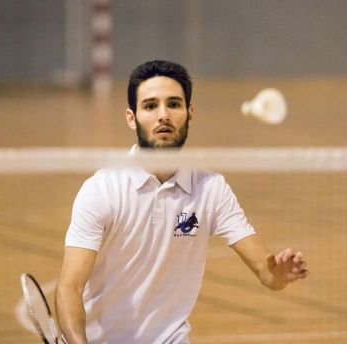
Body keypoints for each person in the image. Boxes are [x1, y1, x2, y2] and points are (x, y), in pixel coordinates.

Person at [55, 60, 308, 344]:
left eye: (174, 104)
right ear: (131, 117)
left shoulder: (211, 189)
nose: (163, 115)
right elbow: (69, 287)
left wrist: (280, 274)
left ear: (189, 113)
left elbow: (266, 272)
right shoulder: (102, 189)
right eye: (150, 106)